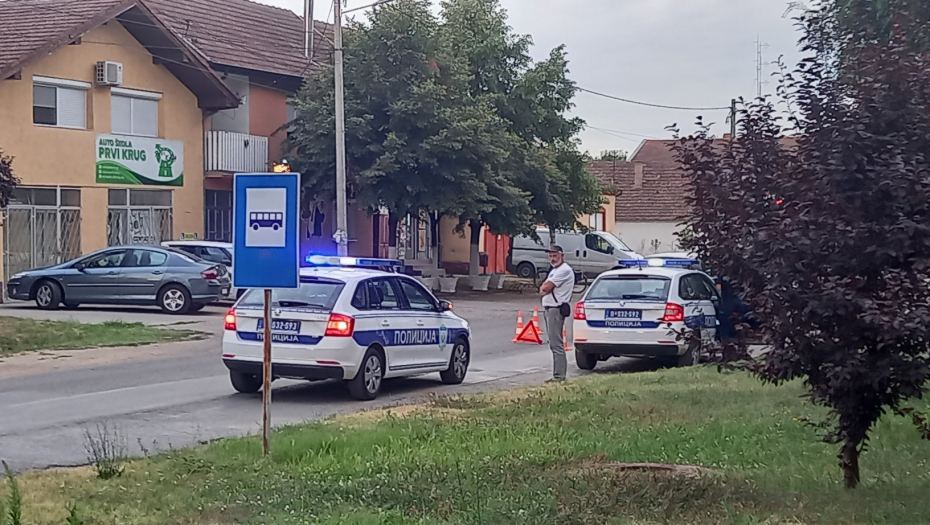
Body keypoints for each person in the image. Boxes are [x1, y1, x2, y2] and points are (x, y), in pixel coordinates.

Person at [539, 245, 575, 382]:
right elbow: (543, 288)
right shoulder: (555, 270)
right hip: (550, 308)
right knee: (554, 343)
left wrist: (545, 287)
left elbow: (545, 288)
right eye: (550, 256)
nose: (552, 259)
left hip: (556, 309)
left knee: (556, 344)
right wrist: (544, 288)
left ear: (562, 255)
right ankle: (558, 374)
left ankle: (559, 376)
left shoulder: (564, 270)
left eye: (555, 256)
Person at [714, 277, 751, 346]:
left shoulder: (727, 295)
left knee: (725, 328)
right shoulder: (728, 295)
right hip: (731, 310)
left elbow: (718, 288)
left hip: (727, 310)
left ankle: (726, 342)